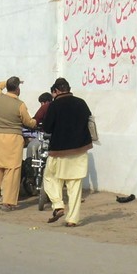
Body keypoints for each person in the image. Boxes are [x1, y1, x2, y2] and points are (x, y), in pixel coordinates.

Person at [42, 77, 93, 228]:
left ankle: (58, 205)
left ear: (56, 91)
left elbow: (47, 128)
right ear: (69, 89)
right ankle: (72, 219)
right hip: (79, 149)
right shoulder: (81, 103)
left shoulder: (54, 106)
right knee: (75, 185)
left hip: (59, 150)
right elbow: (88, 120)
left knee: (50, 177)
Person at [0, 76, 36, 210]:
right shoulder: (20, 105)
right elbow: (28, 122)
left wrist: (6, 82)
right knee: (12, 170)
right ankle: (7, 202)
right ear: (18, 89)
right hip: (13, 139)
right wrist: (35, 122)